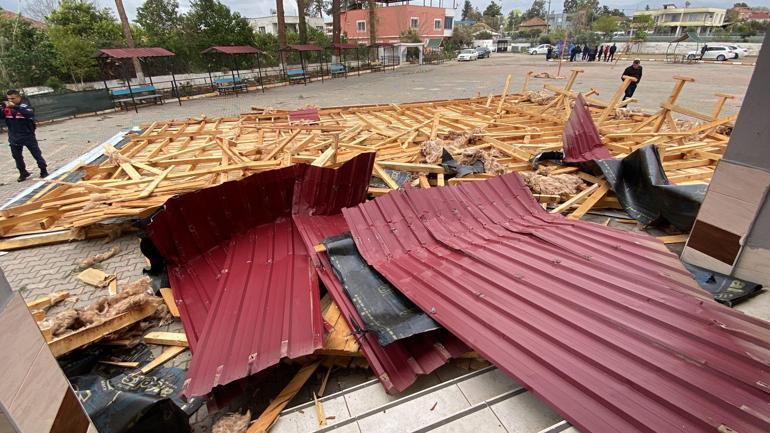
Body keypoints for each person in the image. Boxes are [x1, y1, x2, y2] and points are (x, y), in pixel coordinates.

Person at [1, 90, 47, 181]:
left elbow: (29, 113)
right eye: (9, 99)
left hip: (28, 136)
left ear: (19, 97)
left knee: (36, 154)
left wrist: (15, 107)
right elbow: (1, 116)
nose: (11, 100)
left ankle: (43, 170)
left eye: (13, 98)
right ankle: (23, 173)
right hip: (14, 137)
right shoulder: (6, 108)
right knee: (17, 157)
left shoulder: (25, 106)